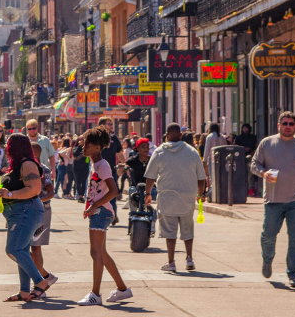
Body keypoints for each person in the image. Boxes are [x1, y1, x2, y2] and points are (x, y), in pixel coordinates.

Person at [250, 111, 295, 288]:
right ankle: (267, 260)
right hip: (273, 200)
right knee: (268, 235)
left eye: (291, 123)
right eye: (284, 123)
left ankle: (293, 273)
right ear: (279, 126)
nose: (288, 126)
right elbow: (254, 164)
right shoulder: (267, 143)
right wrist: (263, 173)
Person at [0, 134, 52, 302]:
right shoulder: (16, 165)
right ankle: (24, 291)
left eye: (8, 144)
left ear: (15, 146)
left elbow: (34, 189)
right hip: (18, 213)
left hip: (27, 211)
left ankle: (41, 281)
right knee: (22, 250)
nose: (6, 147)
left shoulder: (28, 164)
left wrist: (10, 193)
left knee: (13, 249)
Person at [77, 127, 132, 306]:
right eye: (84, 143)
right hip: (99, 211)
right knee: (101, 253)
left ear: (97, 147)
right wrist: (90, 206)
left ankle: (95, 294)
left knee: (95, 252)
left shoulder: (102, 165)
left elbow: (114, 191)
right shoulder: (95, 164)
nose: (84, 147)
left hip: (102, 211)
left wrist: (94, 206)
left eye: (88, 145)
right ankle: (123, 289)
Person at [144, 124, 207, 272]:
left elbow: (150, 177)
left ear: (167, 135)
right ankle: (189, 258)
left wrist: (147, 194)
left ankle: (171, 262)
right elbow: (201, 177)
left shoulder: (159, 152)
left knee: (170, 232)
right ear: (180, 135)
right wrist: (200, 194)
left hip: (167, 198)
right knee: (187, 229)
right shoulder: (192, 152)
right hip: (187, 197)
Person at [29, 143, 57, 287]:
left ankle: (40, 283)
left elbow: (51, 192)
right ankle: (45, 277)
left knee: (36, 247)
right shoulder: (25, 169)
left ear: (35, 153)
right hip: (28, 211)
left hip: (42, 211)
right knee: (25, 248)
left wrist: (37, 200)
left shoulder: (44, 170)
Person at [97, 116, 126, 225]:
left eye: (111, 124)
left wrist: (126, 163)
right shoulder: (96, 138)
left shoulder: (114, 139)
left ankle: (112, 215)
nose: (111, 126)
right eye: (109, 124)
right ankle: (98, 214)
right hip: (98, 172)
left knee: (113, 193)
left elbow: (119, 154)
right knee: (98, 194)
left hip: (111, 171)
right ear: (102, 125)